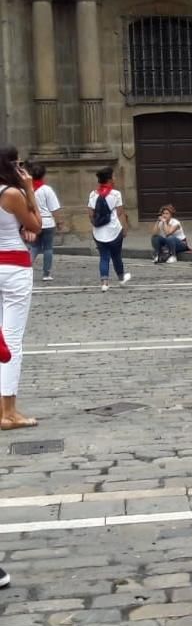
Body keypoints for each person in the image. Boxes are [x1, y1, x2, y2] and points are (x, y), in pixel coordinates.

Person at [0, 145, 42, 431]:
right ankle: (9, 411)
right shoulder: (12, 194)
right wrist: (29, 189)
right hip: (13, 266)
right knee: (12, 339)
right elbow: (37, 225)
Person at [87, 167, 132, 293]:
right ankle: (121, 279)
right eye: (114, 176)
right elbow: (120, 213)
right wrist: (124, 228)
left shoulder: (93, 194)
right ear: (109, 179)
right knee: (116, 255)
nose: (115, 178)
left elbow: (90, 213)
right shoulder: (116, 194)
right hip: (114, 230)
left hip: (99, 232)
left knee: (104, 257)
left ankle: (104, 283)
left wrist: (95, 224)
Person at [24, 162, 61, 282]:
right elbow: (54, 208)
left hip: (33, 222)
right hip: (48, 223)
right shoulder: (47, 190)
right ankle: (46, 273)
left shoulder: (27, 190)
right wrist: (59, 222)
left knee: (34, 247)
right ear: (43, 175)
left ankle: (26, 268)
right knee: (48, 248)